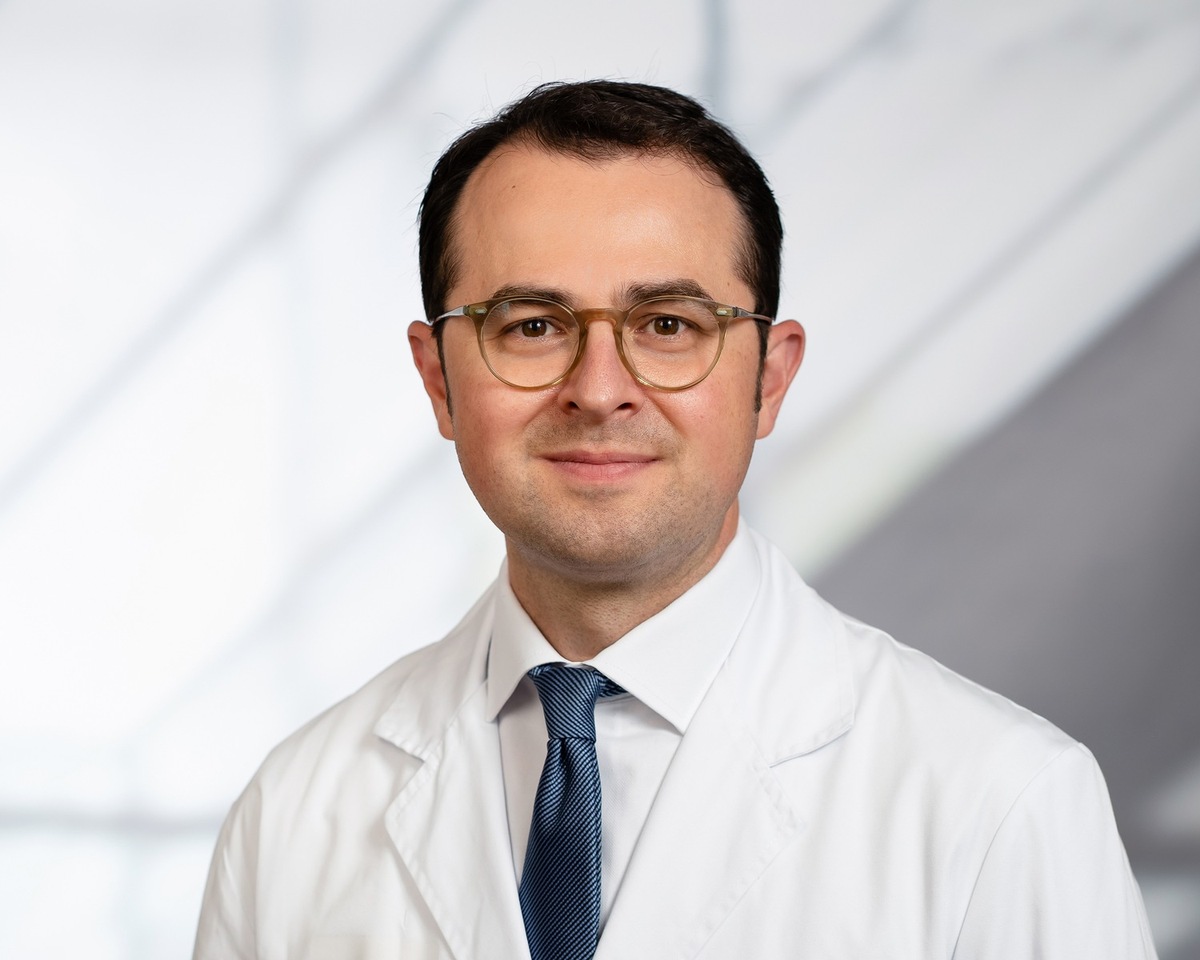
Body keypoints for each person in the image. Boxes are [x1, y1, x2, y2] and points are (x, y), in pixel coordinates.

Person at [193, 81, 1157, 959]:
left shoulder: (1001, 802)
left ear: (769, 379)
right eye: (532, 325)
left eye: (667, 325)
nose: (598, 390)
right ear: (438, 379)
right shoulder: (294, 814)